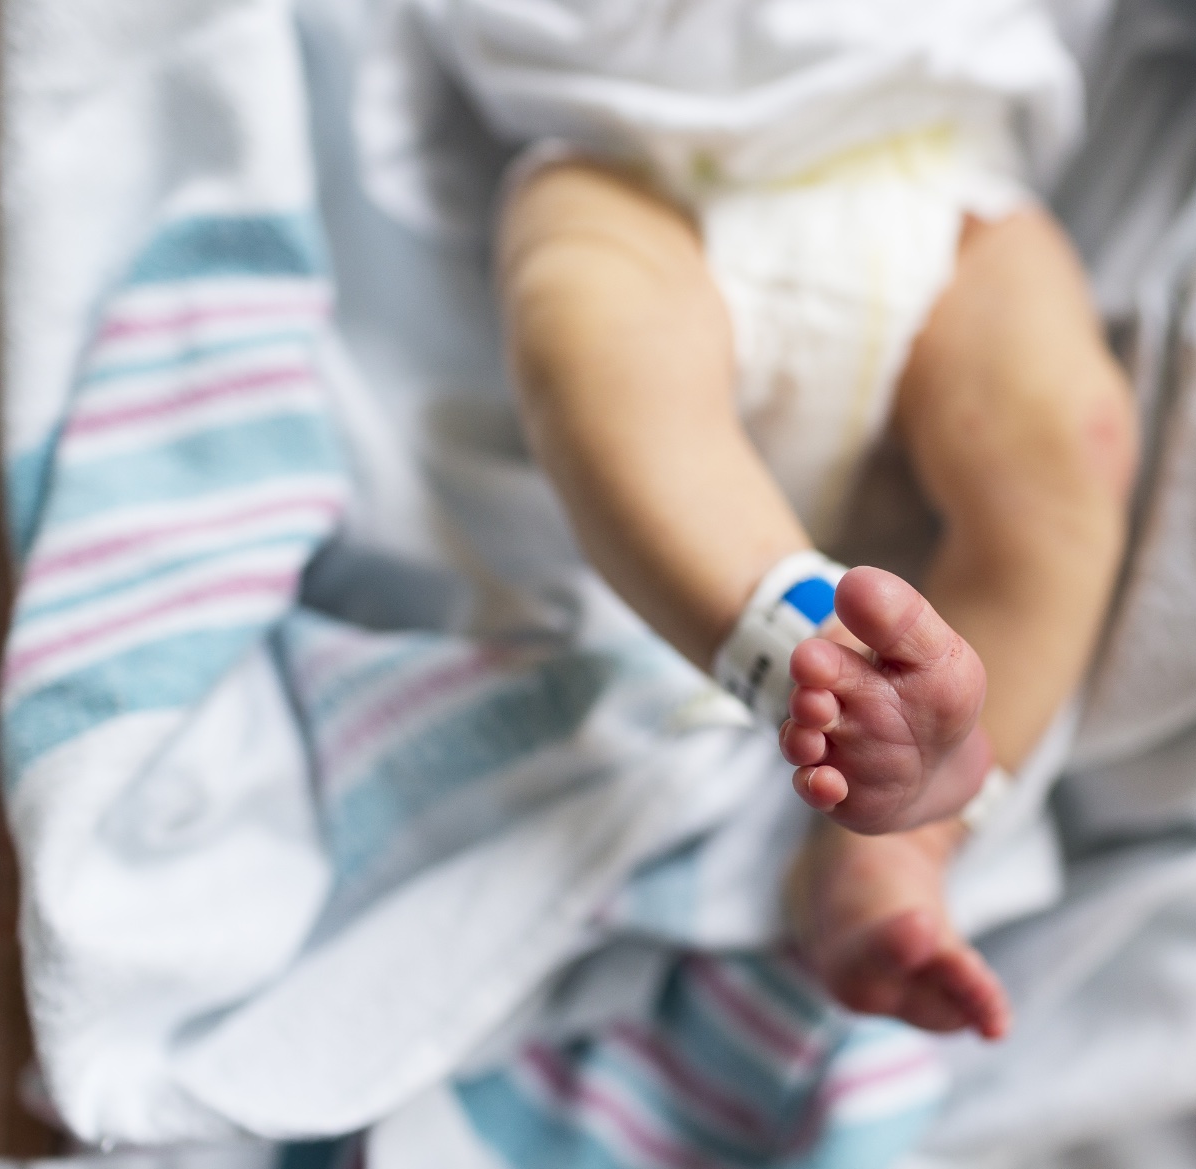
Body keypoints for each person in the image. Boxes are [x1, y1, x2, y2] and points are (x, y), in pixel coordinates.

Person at [457, 0, 1138, 1040]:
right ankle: (804, 648)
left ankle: (912, 828)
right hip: (636, 153)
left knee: (1074, 447)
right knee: (598, 361)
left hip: (944, 162)